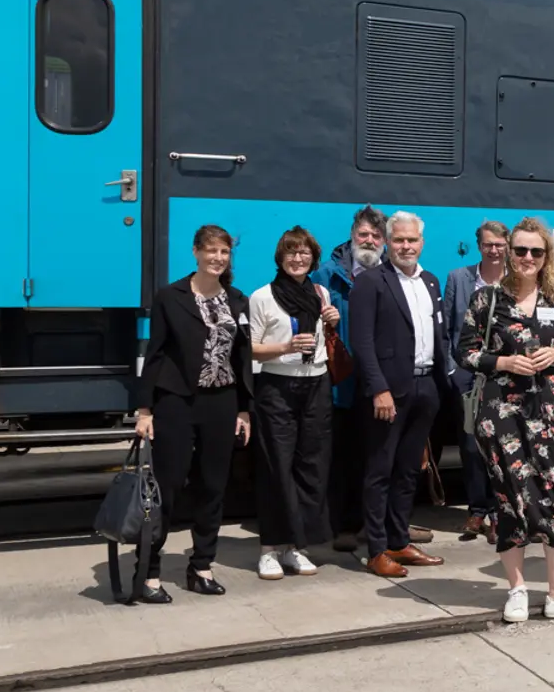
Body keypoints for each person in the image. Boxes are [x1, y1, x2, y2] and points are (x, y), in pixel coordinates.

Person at [456, 218, 554, 622]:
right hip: (501, 412)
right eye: (519, 250)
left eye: (535, 252)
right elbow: (463, 352)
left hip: (551, 410)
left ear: (546, 257)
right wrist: (502, 361)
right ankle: (517, 590)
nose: (526, 258)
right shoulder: (487, 300)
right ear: (507, 252)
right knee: (511, 496)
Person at [132, 225, 254, 602]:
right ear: (196, 252)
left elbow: (242, 358)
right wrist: (145, 409)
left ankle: (201, 565)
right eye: (211, 251)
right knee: (168, 486)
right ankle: (148, 571)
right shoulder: (171, 297)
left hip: (221, 402)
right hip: (177, 402)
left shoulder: (237, 299)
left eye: (224, 252)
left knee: (214, 486)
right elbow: (154, 355)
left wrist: (245, 409)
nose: (218, 258)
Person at [351, 211, 452, 577]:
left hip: (426, 387)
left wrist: (444, 384)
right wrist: (379, 389)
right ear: (387, 242)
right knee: (380, 470)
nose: (406, 246)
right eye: (399, 240)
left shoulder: (431, 281)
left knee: (409, 470)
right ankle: (377, 550)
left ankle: (398, 540)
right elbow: (361, 342)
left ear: (422, 243)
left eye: (412, 240)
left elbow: (439, 336)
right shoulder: (371, 282)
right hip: (389, 392)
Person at [249, 226, 339, 580]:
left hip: (316, 384)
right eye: (291, 252)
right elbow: (250, 348)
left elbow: (323, 342)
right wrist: (286, 347)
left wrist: (333, 321)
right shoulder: (262, 297)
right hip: (276, 387)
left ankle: (296, 547)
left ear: (313, 258)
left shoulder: (320, 292)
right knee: (276, 468)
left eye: (304, 253)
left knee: (310, 467)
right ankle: (269, 549)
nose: (298, 258)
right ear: (280, 257)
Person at [314, 205, 385, 551]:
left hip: (379, 381)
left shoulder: (389, 273)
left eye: (375, 235)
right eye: (363, 234)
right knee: (340, 456)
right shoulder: (326, 275)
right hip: (340, 380)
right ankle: (340, 525)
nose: (369, 240)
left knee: (376, 456)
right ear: (352, 237)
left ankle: (373, 523)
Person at [443, 220, 507, 540]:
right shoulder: (459, 278)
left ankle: (500, 512)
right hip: (467, 373)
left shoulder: (516, 281)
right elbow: (447, 328)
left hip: (503, 373)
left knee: (502, 446)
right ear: (479, 245)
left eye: (499, 245)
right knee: (470, 445)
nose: (494, 250)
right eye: (488, 244)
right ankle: (476, 510)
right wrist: (452, 371)